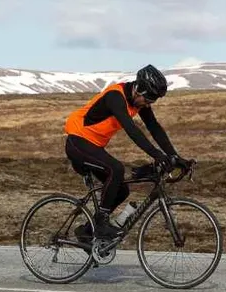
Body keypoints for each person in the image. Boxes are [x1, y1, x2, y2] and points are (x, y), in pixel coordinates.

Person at [64, 64, 187, 241]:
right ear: (138, 90)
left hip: (93, 145)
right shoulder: (116, 96)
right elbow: (131, 129)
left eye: (152, 102)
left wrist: (174, 156)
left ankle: (86, 231)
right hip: (77, 141)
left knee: (121, 190)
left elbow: (154, 128)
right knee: (116, 169)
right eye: (148, 100)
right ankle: (101, 224)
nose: (148, 104)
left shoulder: (139, 99)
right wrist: (157, 155)